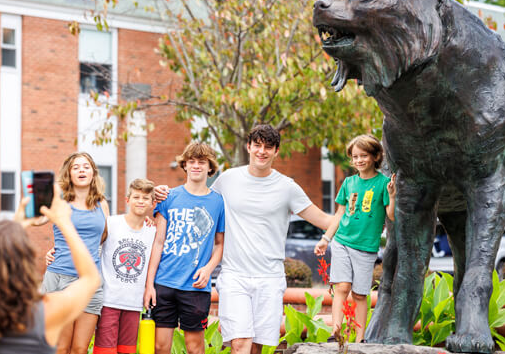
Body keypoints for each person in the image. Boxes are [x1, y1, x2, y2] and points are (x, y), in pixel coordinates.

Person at [154, 125, 332, 354]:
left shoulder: (288, 187)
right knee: (239, 344)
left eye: (268, 147)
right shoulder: (228, 180)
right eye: (257, 145)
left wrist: (354, 208)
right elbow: (197, 198)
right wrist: (160, 196)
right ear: (248, 147)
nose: (262, 151)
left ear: (276, 151)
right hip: (234, 275)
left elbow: (324, 220)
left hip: (269, 277)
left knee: (256, 346)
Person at [0, 185, 101, 354]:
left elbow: (0, 253)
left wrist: (17, 225)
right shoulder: (43, 313)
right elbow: (90, 279)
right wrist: (64, 222)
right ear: (24, 265)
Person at [144, 142, 225, 354]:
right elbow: (158, 243)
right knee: (160, 347)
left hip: (195, 288)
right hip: (164, 283)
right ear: (185, 166)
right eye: (191, 162)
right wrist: (149, 284)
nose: (196, 165)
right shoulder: (168, 197)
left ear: (210, 167)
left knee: (195, 348)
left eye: (202, 162)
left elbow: (219, 245)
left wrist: (208, 269)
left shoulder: (218, 202)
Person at [314, 134, 396, 343]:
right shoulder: (349, 183)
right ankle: (336, 333)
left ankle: (360, 339)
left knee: (360, 294)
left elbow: (391, 216)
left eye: (364, 156)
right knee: (341, 287)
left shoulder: (383, 183)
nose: (359, 160)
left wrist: (393, 195)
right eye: (355, 156)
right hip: (342, 242)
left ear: (375, 156)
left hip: (366, 247)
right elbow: (339, 214)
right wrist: (326, 238)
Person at [41, 152, 109, 354]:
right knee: (61, 348)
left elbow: (104, 236)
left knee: (80, 348)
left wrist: (146, 224)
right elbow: (38, 220)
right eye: (76, 167)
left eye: (86, 166)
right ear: (69, 173)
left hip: (90, 284)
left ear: (93, 173)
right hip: (60, 279)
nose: (81, 170)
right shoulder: (59, 202)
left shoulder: (102, 204)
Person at [93, 178, 157, 354]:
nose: (141, 201)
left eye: (145, 198)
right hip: (108, 301)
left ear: (153, 203)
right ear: (127, 200)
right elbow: (89, 243)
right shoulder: (111, 223)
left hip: (134, 303)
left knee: (126, 351)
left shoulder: (153, 232)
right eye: (136, 197)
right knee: (104, 351)